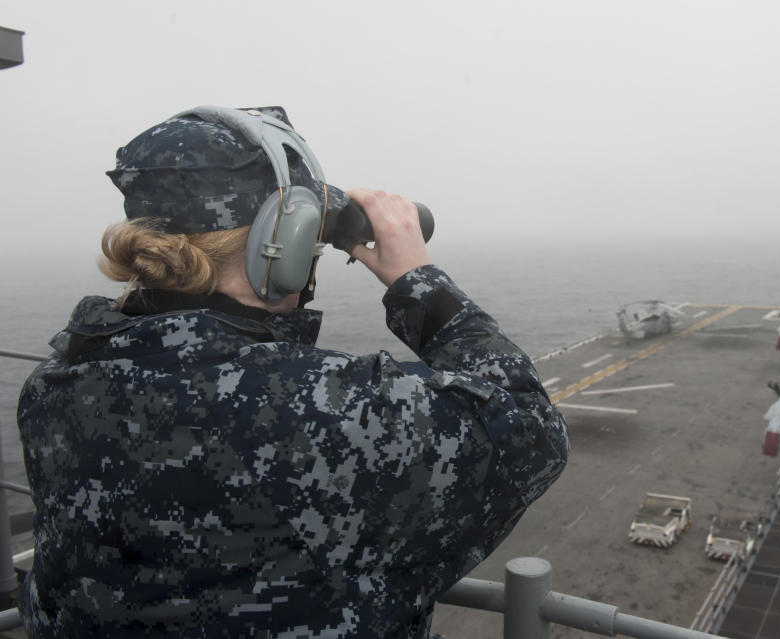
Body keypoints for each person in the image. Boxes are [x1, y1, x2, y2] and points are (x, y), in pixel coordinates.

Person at [16, 106, 569, 638]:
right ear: (282, 245)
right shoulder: (328, 413)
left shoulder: (54, 386)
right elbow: (532, 427)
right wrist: (417, 280)